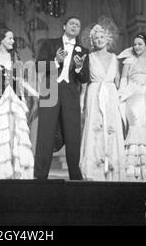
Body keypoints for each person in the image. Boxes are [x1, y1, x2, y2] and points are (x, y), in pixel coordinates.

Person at [34, 16, 90, 180]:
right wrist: (56, 61)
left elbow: (84, 78)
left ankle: (75, 175)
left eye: (78, 25)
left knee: (73, 134)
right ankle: (40, 175)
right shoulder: (50, 44)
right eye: (72, 23)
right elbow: (39, 66)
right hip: (49, 88)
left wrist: (79, 67)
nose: (74, 26)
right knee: (45, 132)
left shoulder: (83, 51)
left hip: (70, 92)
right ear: (64, 26)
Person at [0, 28, 35, 179]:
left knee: (15, 131)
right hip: (0, 99)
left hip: (14, 97)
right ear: (1, 39)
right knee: (1, 132)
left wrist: (36, 93)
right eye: (10, 38)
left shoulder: (15, 57)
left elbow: (20, 80)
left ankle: (16, 168)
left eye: (13, 38)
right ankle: (1, 170)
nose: (13, 41)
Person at [80, 23, 126, 181]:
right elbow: (84, 82)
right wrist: (82, 101)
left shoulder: (115, 58)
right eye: (96, 38)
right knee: (95, 129)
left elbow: (119, 82)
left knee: (111, 128)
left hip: (111, 96)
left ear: (108, 39)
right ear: (92, 41)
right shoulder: (90, 57)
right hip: (95, 95)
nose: (99, 40)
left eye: (102, 37)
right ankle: (95, 171)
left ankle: (111, 168)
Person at [118, 33, 146, 182]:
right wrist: (121, 94)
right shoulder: (129, 60)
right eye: (135, 44)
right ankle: (134, 171)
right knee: (135, 126)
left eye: (140, 44)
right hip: (134, 96)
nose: (137, 47)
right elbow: (124, 79)